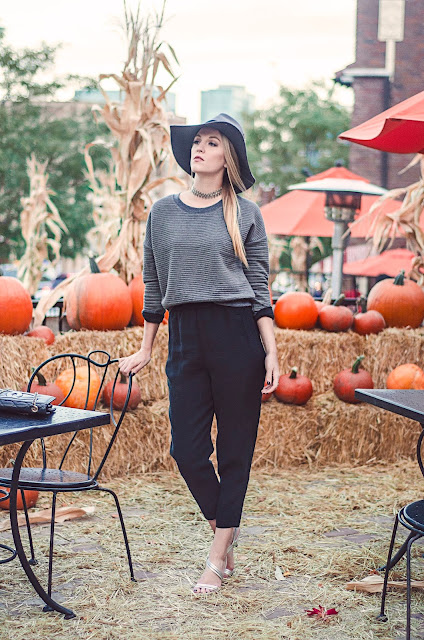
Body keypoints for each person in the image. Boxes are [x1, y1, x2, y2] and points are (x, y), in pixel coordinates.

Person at [119, 113, 279, 595]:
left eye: (212, 143)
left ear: (228, 157)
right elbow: (152, 282)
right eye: (197, 142)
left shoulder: (246, 214)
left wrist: (271, 353)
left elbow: (259, 289)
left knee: (234, 451)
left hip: (237, 336)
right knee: (186, 450)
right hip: (185, 337)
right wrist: (146, 348)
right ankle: (225, 533)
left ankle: (216, 556)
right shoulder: (162, 213)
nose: (200, 148)